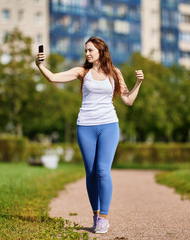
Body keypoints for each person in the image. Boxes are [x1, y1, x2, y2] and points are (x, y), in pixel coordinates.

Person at [35, 36, 144, 234]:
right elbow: (53, 77)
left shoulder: (115, 73)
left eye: (91, 50)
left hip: (109, 126)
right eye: (86, 50)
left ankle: (103, 218)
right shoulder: (82, 72)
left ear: (101, 52)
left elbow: (128, 100)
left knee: (103, 170)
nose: (87, 53)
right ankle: (95, 214)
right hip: (85, 127)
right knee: (92, 173)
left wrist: (138, 83)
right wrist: (39, 65)